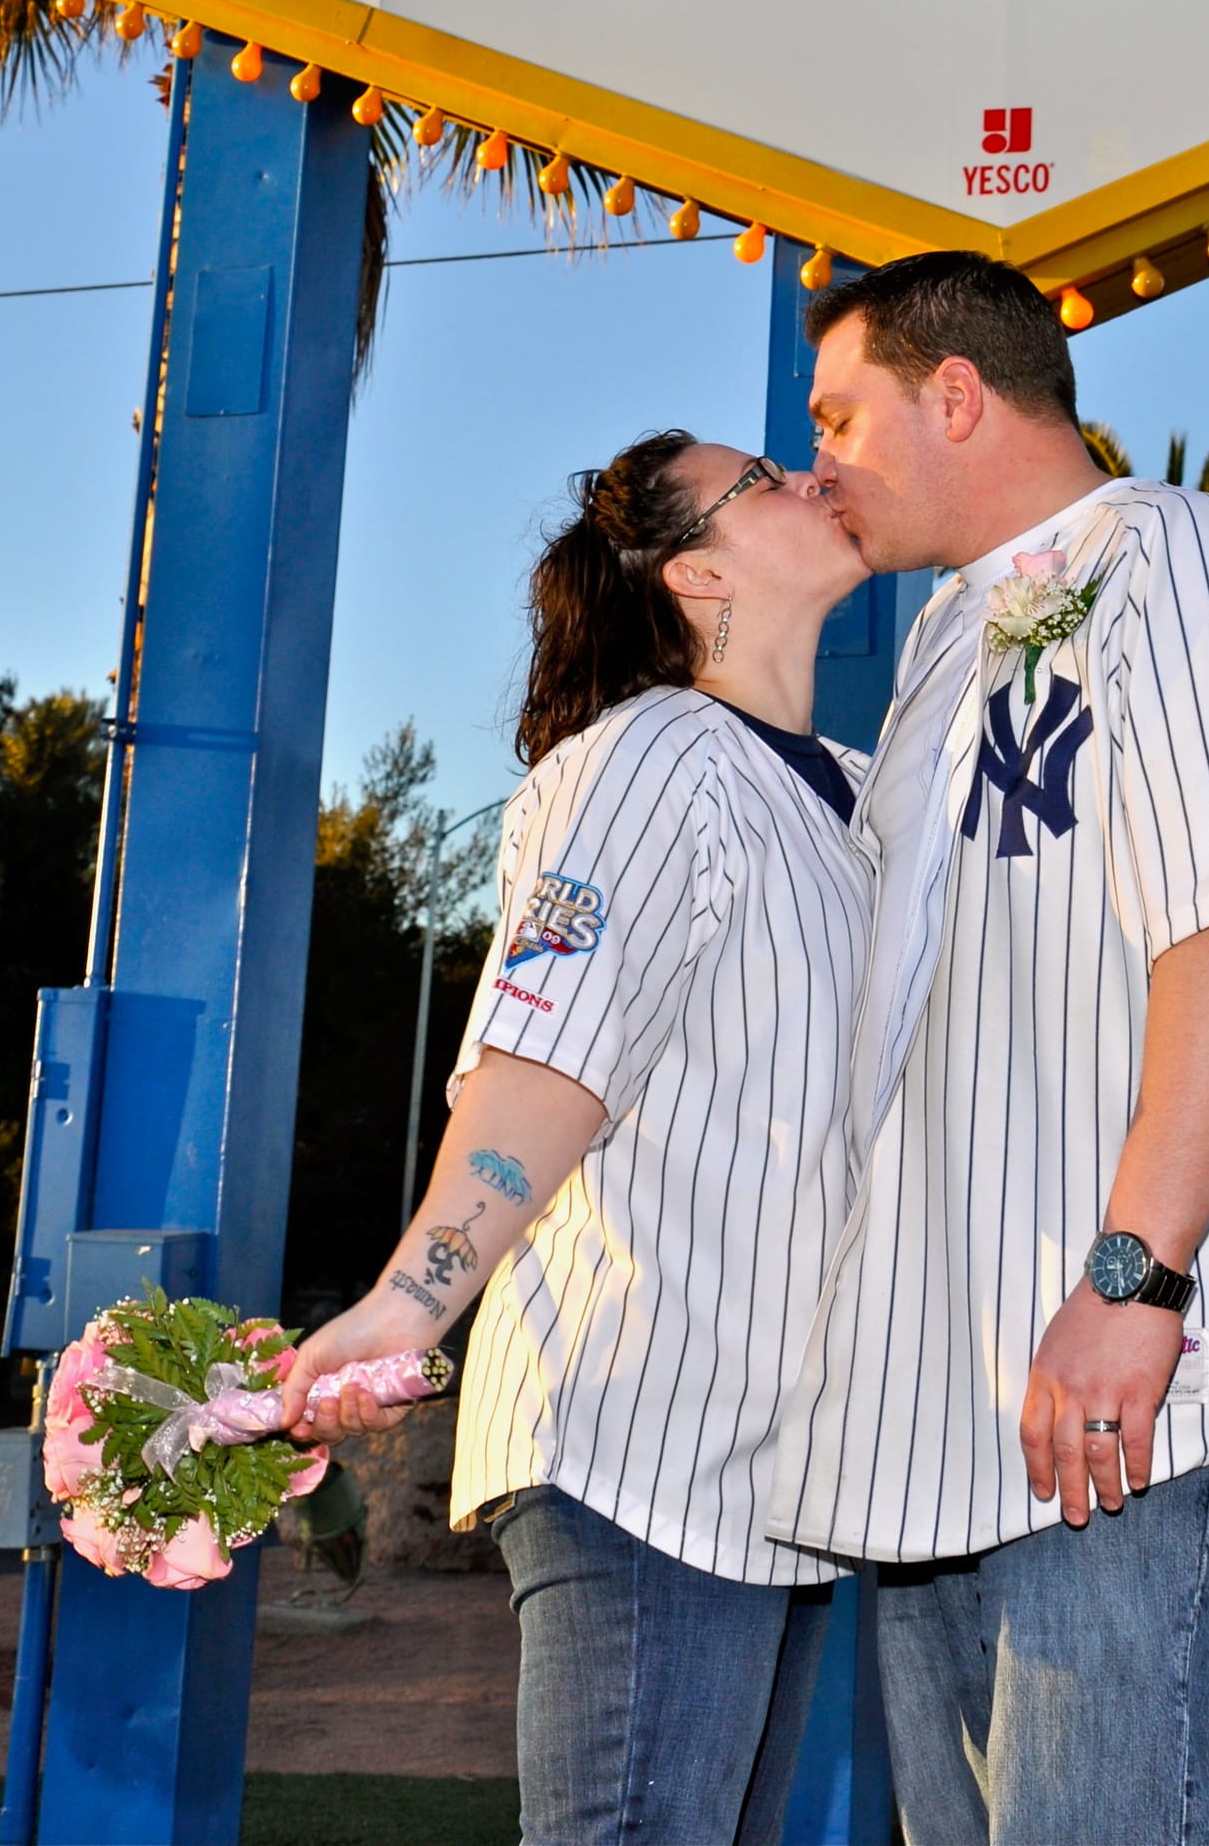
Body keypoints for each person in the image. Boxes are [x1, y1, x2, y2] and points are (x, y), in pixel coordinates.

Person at [769, 254, 1209, 1846]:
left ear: (955, 393)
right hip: (950, 1418)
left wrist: (1137, 1277)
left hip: (1127, 1403)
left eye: (842, 412)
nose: (817, 453)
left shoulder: (1177, 550)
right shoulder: (934, 653)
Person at [285, 433, 875, 1846]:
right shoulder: (652, 757)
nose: (810, 476)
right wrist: (410, 1300)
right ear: (701, 571)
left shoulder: (859, 788)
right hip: (642, 1438)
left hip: (778, 1464)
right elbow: (548, 1061)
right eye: (768, 481)